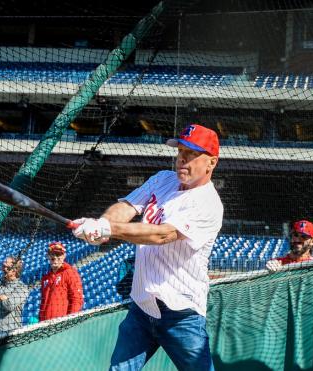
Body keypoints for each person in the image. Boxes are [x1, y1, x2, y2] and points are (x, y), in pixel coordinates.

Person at [72, 123, 222, 370]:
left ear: (211, 163)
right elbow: (128, 207)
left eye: (193, 154)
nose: (183, 159)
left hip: (181, 314)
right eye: (180, 151)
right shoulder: (163, 179)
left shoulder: (208, 203)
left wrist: (110, 230)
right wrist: (101, 224)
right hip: (142, 308)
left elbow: (162, 235)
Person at [39, 241, 83, 321]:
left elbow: (77, 299)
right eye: (52, 254)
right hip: (44, 325)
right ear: (48, 256)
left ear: (64, 256)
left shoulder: (70, 273)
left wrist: (70, 322)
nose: (55, 257)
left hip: (60, 325)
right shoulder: (45, 278)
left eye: (58, 254)